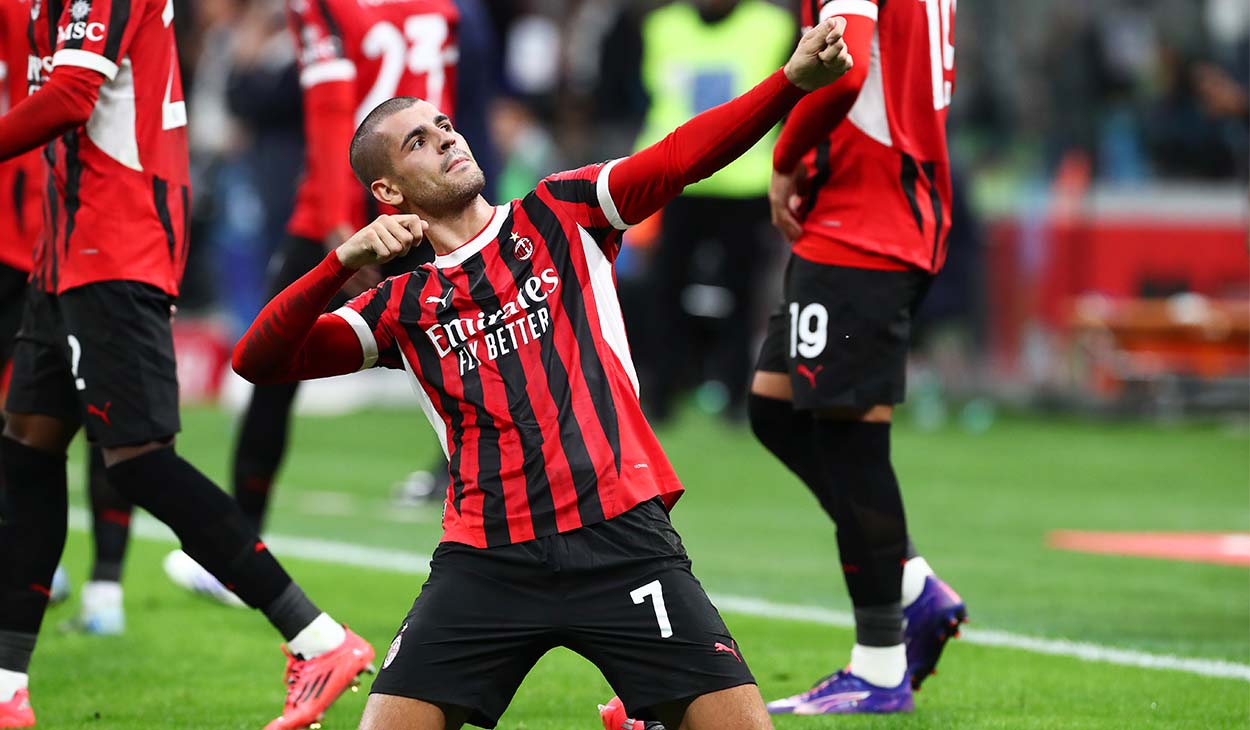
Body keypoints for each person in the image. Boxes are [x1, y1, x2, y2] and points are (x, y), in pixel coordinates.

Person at [231, 17, 853, 730]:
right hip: (485, 559)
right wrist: (337, 263)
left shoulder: (565, 210)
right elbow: (258, 361)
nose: (448, 140)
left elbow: (682, 156)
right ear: (389, 193)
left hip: (620, 537)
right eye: (419, 143)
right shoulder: (400, 305)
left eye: (444, 127)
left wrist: (788, 85)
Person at [0, 0, 374, 727]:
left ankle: (317, 638)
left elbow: (72, 97)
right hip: (63, 251)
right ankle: (6, 686)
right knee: (27, 446)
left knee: (137, 458)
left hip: (116, 245)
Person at [162, 0, 466, 604]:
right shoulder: (439, 7)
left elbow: (331, 111)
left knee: (273, 367)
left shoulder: (322, 4)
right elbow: (443, 107)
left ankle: (238, 553)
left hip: (344, 206)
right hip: (428, 195)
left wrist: (335, 231)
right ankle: (521, 526)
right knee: (477, 356)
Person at [747, 0, 967, 715]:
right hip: (878, 220)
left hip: (863, 233)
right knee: (775, 407)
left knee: (849, 440)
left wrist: (784, 158)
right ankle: (909, 586)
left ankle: (877, 664)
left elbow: (843, 72)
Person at [0, 0, 135, 637]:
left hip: (95, 242)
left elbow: (74, 95)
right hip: (28, 241)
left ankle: (106, 583)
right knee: (29, 420)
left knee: (120, 432)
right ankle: (39, 567)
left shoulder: (100, 15)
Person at [632, 0, 793, 422]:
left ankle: (737, 397)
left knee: (742, 293)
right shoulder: (663, 27)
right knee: (665, 289)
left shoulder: (773, 26)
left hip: (743, 184)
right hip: (674, 180)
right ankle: (662, 393)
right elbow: (649, 99)